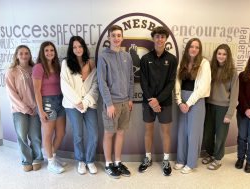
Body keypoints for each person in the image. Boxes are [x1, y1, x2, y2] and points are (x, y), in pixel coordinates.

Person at [138, 26, 177, 176]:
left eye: (162, 37)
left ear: (165, 39)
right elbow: (143, 82)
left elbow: (171, 83)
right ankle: (148, 158)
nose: (160, 39)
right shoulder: (145, 59)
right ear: (153, 38)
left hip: (164, 103)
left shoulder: (172, 59)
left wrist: (158, 100)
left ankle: (166, 160)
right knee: (148, 131)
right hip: (148, 102)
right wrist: (152, 101)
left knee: (165, 132)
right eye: (157, 36)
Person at [97, 25, 134, 179]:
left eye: (119, 35)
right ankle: (108, 164)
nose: (117, 38)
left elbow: (131, 79)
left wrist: (130, 98)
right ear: (109, 38)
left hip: (126, 102)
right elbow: (102, 82)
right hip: (112, 103)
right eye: (114, 36)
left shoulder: (127, 56)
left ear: (122, 37)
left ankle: (118, 162)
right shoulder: (103, 57)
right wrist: (109, 103)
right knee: (109, 133)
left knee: (120, 133)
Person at [61, 36, 99, 175]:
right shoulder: (66, 63)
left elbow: (96, 85)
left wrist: (86, 102)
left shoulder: (91, 63)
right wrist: (77, 102)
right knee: (78, 135)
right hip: (72, 105)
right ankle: (81, 161)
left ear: (84, 47)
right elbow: (65, 85)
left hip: (89, 104)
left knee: (94, 135)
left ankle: (90, 160)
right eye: (75, 47)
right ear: (71, 49)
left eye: (80, 46)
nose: (78, 49)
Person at [174, 38, 211, 174]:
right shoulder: (182, 62)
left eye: (197, 47)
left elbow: (203, 87)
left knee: (193, 133)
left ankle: (190, 163)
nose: (194, 49)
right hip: (182, 100)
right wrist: (179, 101)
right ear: (187, 48)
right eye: (191, 46)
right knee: (182, 131)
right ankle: (180, 160)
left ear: (199, 50)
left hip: (196, 100)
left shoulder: (204, 63)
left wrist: (188, 103)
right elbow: (177, 82)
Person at [5, 45, 43, 172]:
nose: (24, 56)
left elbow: (39, 90)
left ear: (30, 55)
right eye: (21, 53)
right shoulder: (11, 72)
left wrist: (35, 107)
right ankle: (26, 160)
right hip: (19, 110)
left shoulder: (34, 69)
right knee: (22, 135)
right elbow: (12, 94)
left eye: (26, 53)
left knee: (35, 135)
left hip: (34, 109)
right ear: (16, 55)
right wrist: (25, 108)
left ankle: (37, 158)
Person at [201, 44, 239, 170]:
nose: (221, 56)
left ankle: (218, 159)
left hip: (223, 108)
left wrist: (229, 113)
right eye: (219, 53)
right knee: (208, 134)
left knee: (221, 136)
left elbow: (234, 94)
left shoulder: (233, 72)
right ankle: (211, 154)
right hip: (209, 105)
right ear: (215, 54)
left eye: (224, 54)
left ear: (228, 56)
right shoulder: (210, 68)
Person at [32, 41, 66, 174]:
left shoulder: (57, 65)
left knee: (61, 133)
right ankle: (51, 163)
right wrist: (41, 111)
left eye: (52, 50)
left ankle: (52, 156)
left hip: (60, 101)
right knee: (48, 133)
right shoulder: (39, 67)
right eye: (47, 50)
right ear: (42, 52)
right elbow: (36, 91)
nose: (50, 53)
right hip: (47, 103)